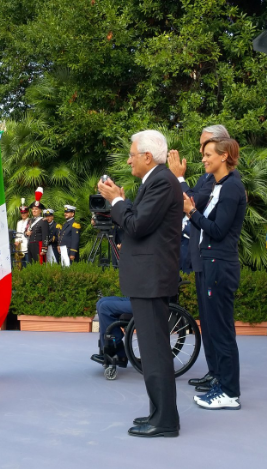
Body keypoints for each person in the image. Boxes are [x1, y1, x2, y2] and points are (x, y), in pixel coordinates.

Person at [98, 129, 181, 438]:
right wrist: (121, 201)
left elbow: (137, 224)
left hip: (151, 279)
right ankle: (160, 414)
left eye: (132, 154)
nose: (129, 159)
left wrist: (118, 200)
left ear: (148, 157)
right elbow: (139, 220)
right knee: (153, 349)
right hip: (148, 279)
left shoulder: (161, 181)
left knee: (155, 350)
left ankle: (165, 421)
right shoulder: (156, 181)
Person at [183, 137, 247, 410]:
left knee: (221, 331)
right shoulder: (221, 186)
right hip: (212, 264)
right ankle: (221, 383)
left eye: (208, 154)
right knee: (215, 327)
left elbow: (218, 230)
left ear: (224, 156)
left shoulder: (232, 187)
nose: (204, 159)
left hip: (220, 265)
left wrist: (192, 212)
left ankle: (230, 392)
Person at [168, 124, 231, 393]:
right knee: (207, 321)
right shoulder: (209, 179)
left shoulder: (224, 183)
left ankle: (224, 379)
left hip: (215, 259)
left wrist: (179, 179)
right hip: (202, 255)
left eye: (206, 147)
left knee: (218, 324)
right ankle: (214, 371)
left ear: (222, 149)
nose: (201, 153)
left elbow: (192, 203)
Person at [13, 199, 30, 268]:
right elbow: (17, 234)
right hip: (20, 248)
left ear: (28, 213)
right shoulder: (18, 223)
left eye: (25, 213)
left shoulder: (30, 221)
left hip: (27, 247)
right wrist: (16, 241)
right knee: (20, 266)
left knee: (28, 265)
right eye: (22, 213)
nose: (23, 214)